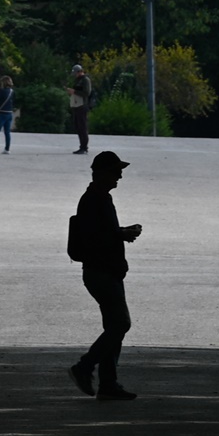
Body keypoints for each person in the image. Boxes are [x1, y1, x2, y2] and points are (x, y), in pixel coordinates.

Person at [68, 151, 142, 401]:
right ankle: (85, 366)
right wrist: (120, 235)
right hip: (100, 272)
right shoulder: (92, 200)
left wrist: (121, 232)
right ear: (100, 173)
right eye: (114, 171)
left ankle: (108, 384)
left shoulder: (101, 198)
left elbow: (102, 232)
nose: (119, 175)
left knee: (114, 327)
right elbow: (93, 239)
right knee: (121, 324)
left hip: (107, 271)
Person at [68, 64, 92, 155]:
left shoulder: (85, 80)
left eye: (76, 73)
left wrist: (74, 92)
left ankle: (84, 147)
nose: (75, 75)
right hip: (76, 105)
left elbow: (86, 93)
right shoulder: (78, 80)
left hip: (83, 105)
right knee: (77, 126)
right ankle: (81, 146)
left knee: (82, 127)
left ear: (80, 71)